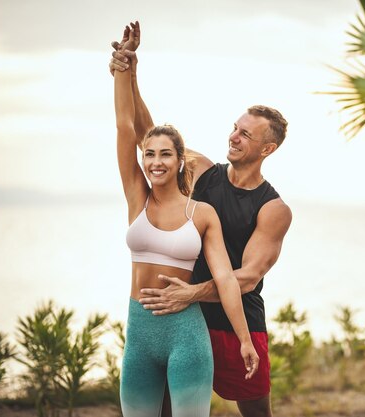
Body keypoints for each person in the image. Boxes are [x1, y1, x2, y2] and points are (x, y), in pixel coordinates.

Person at [110, 22, 292, 417]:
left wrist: (190, 292)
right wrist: (131, 72)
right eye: (234, 127)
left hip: (234, 320)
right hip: (178, 316)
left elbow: (247, 277)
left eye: (245, 134)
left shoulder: (273, 208)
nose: (234, 136)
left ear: (268, 147)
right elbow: (148, 134)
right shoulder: (203, 171)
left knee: (256, 413)